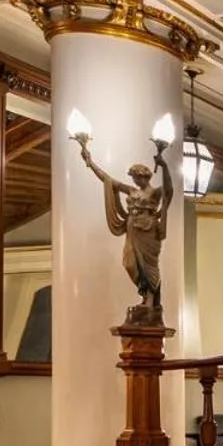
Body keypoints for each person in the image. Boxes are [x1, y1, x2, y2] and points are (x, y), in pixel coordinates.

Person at [79, 139, 174, 324]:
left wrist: (164, 166)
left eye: (136, 177)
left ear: (145, 177)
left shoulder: (155, 193)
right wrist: (90, 163)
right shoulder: (131, 190)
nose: (134, 181)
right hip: (132, 230)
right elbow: (108, 180)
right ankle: (146, 298)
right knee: (130, 263)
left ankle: (149, 301)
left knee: (148, 265)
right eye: (133, 178)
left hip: (148, 231)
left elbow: (169, 189)